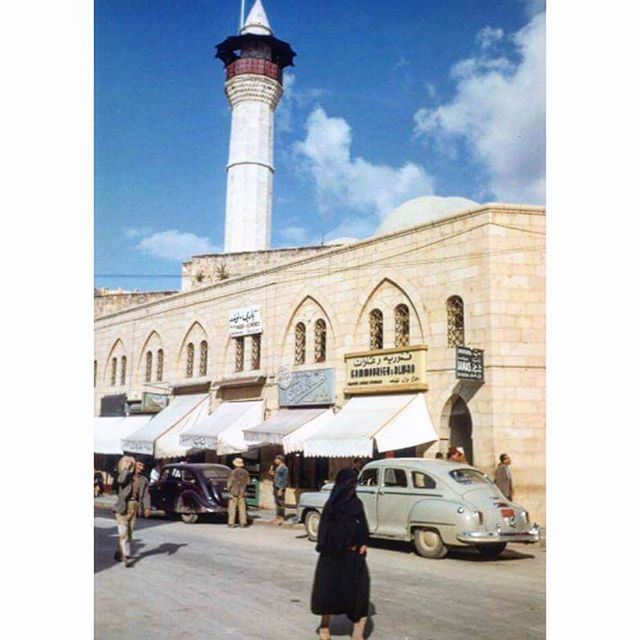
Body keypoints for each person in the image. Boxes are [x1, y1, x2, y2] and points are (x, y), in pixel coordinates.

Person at [311, 468, 370, 640]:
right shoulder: (332, 506)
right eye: (350, 484)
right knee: (329, 592)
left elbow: (363, 526)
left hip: (353, 556)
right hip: (332, 557)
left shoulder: (357, 504)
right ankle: (325, 625)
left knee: (361, 592)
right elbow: (324, 531)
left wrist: (364, 542)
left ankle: (358, 634)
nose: (353, 487)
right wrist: (327, 548)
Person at [112, 456, 151, 567]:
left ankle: (119, 551)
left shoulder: (143, 480)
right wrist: (127, 468)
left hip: (134, 507)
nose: (141, 468)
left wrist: (147, 507)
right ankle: (126, 556)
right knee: (123, 532)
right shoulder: (126, 476)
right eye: (139, 465)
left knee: (129, 532)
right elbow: (120, 480)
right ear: (134, 465)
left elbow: (146, 495)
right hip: (122, 508)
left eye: (143, 465)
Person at [227, 457, 250, 528]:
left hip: (234, 492)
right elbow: (248, 482)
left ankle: (231, 523)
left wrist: (228, 489)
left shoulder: (233, 472)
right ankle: (243, 523)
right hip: (242, 492)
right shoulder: (246, 472)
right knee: (242, 508)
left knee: (232, 508)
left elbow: (229, 483)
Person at [269, 454, 289, 525]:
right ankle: (277, 517)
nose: (275, 461)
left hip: (280, 487)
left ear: (280, 460)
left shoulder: (284, 468)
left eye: (276, 459)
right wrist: (272, 473)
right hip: (276, 486)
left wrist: (281, 489)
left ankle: (281, 518)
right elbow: (278, 477)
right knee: (277, 502)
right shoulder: (278, 467)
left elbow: (285, 479)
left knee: (281, 503)